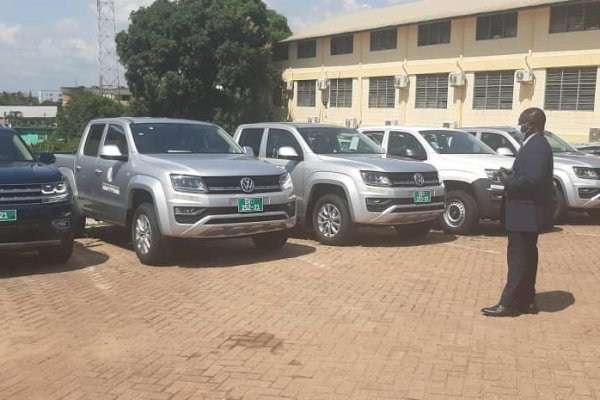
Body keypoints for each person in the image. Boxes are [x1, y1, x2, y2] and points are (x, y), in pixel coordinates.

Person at [481, 108, 554, 317]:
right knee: (527, 258)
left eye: (521, 122)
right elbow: (530, 173)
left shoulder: (537, 146)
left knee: (519, 259)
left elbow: (533, 179)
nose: (519, 126)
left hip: (525, 213)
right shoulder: (532, 144)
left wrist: (508, 181)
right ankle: (526, 300)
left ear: (530, 124)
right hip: (526, 214)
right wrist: (513, 173)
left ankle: (509, 303)